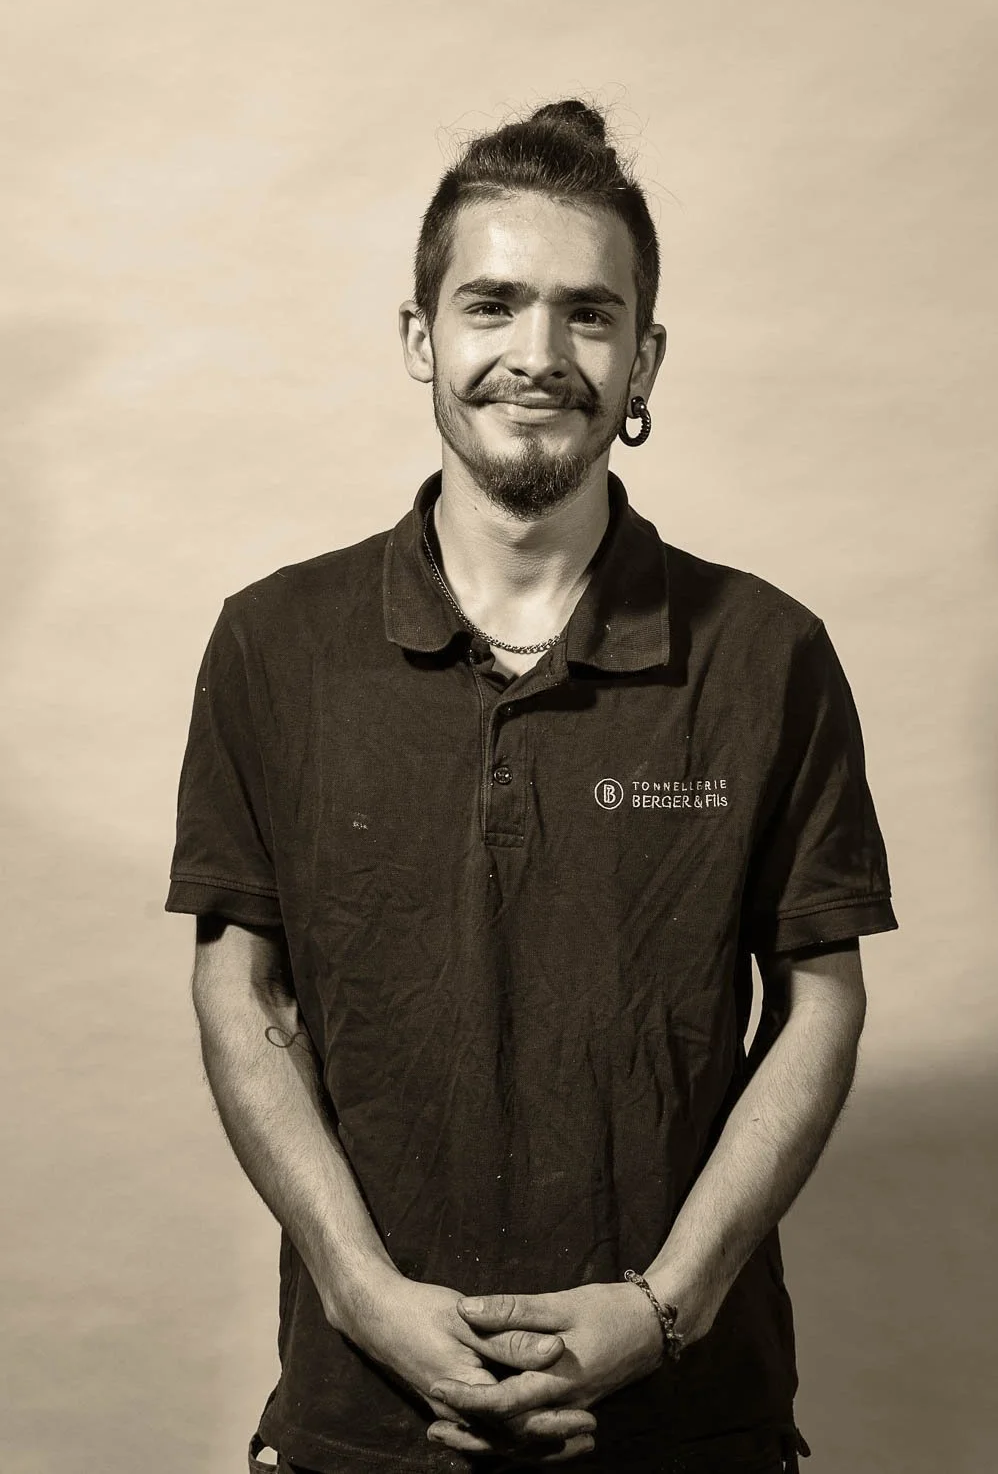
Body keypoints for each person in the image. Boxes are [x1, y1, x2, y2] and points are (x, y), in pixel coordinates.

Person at [167, 99, 897, 1474]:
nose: (538, 354)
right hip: (359, 1421)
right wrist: (358, 1293)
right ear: (419, 338)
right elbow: (238, 984)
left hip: (686, 1422)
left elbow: (821, 1000)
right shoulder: (272, 643)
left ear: (643, 361)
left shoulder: (764, 653)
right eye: (491, 304)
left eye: (589, 314)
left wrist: (663, 1310)